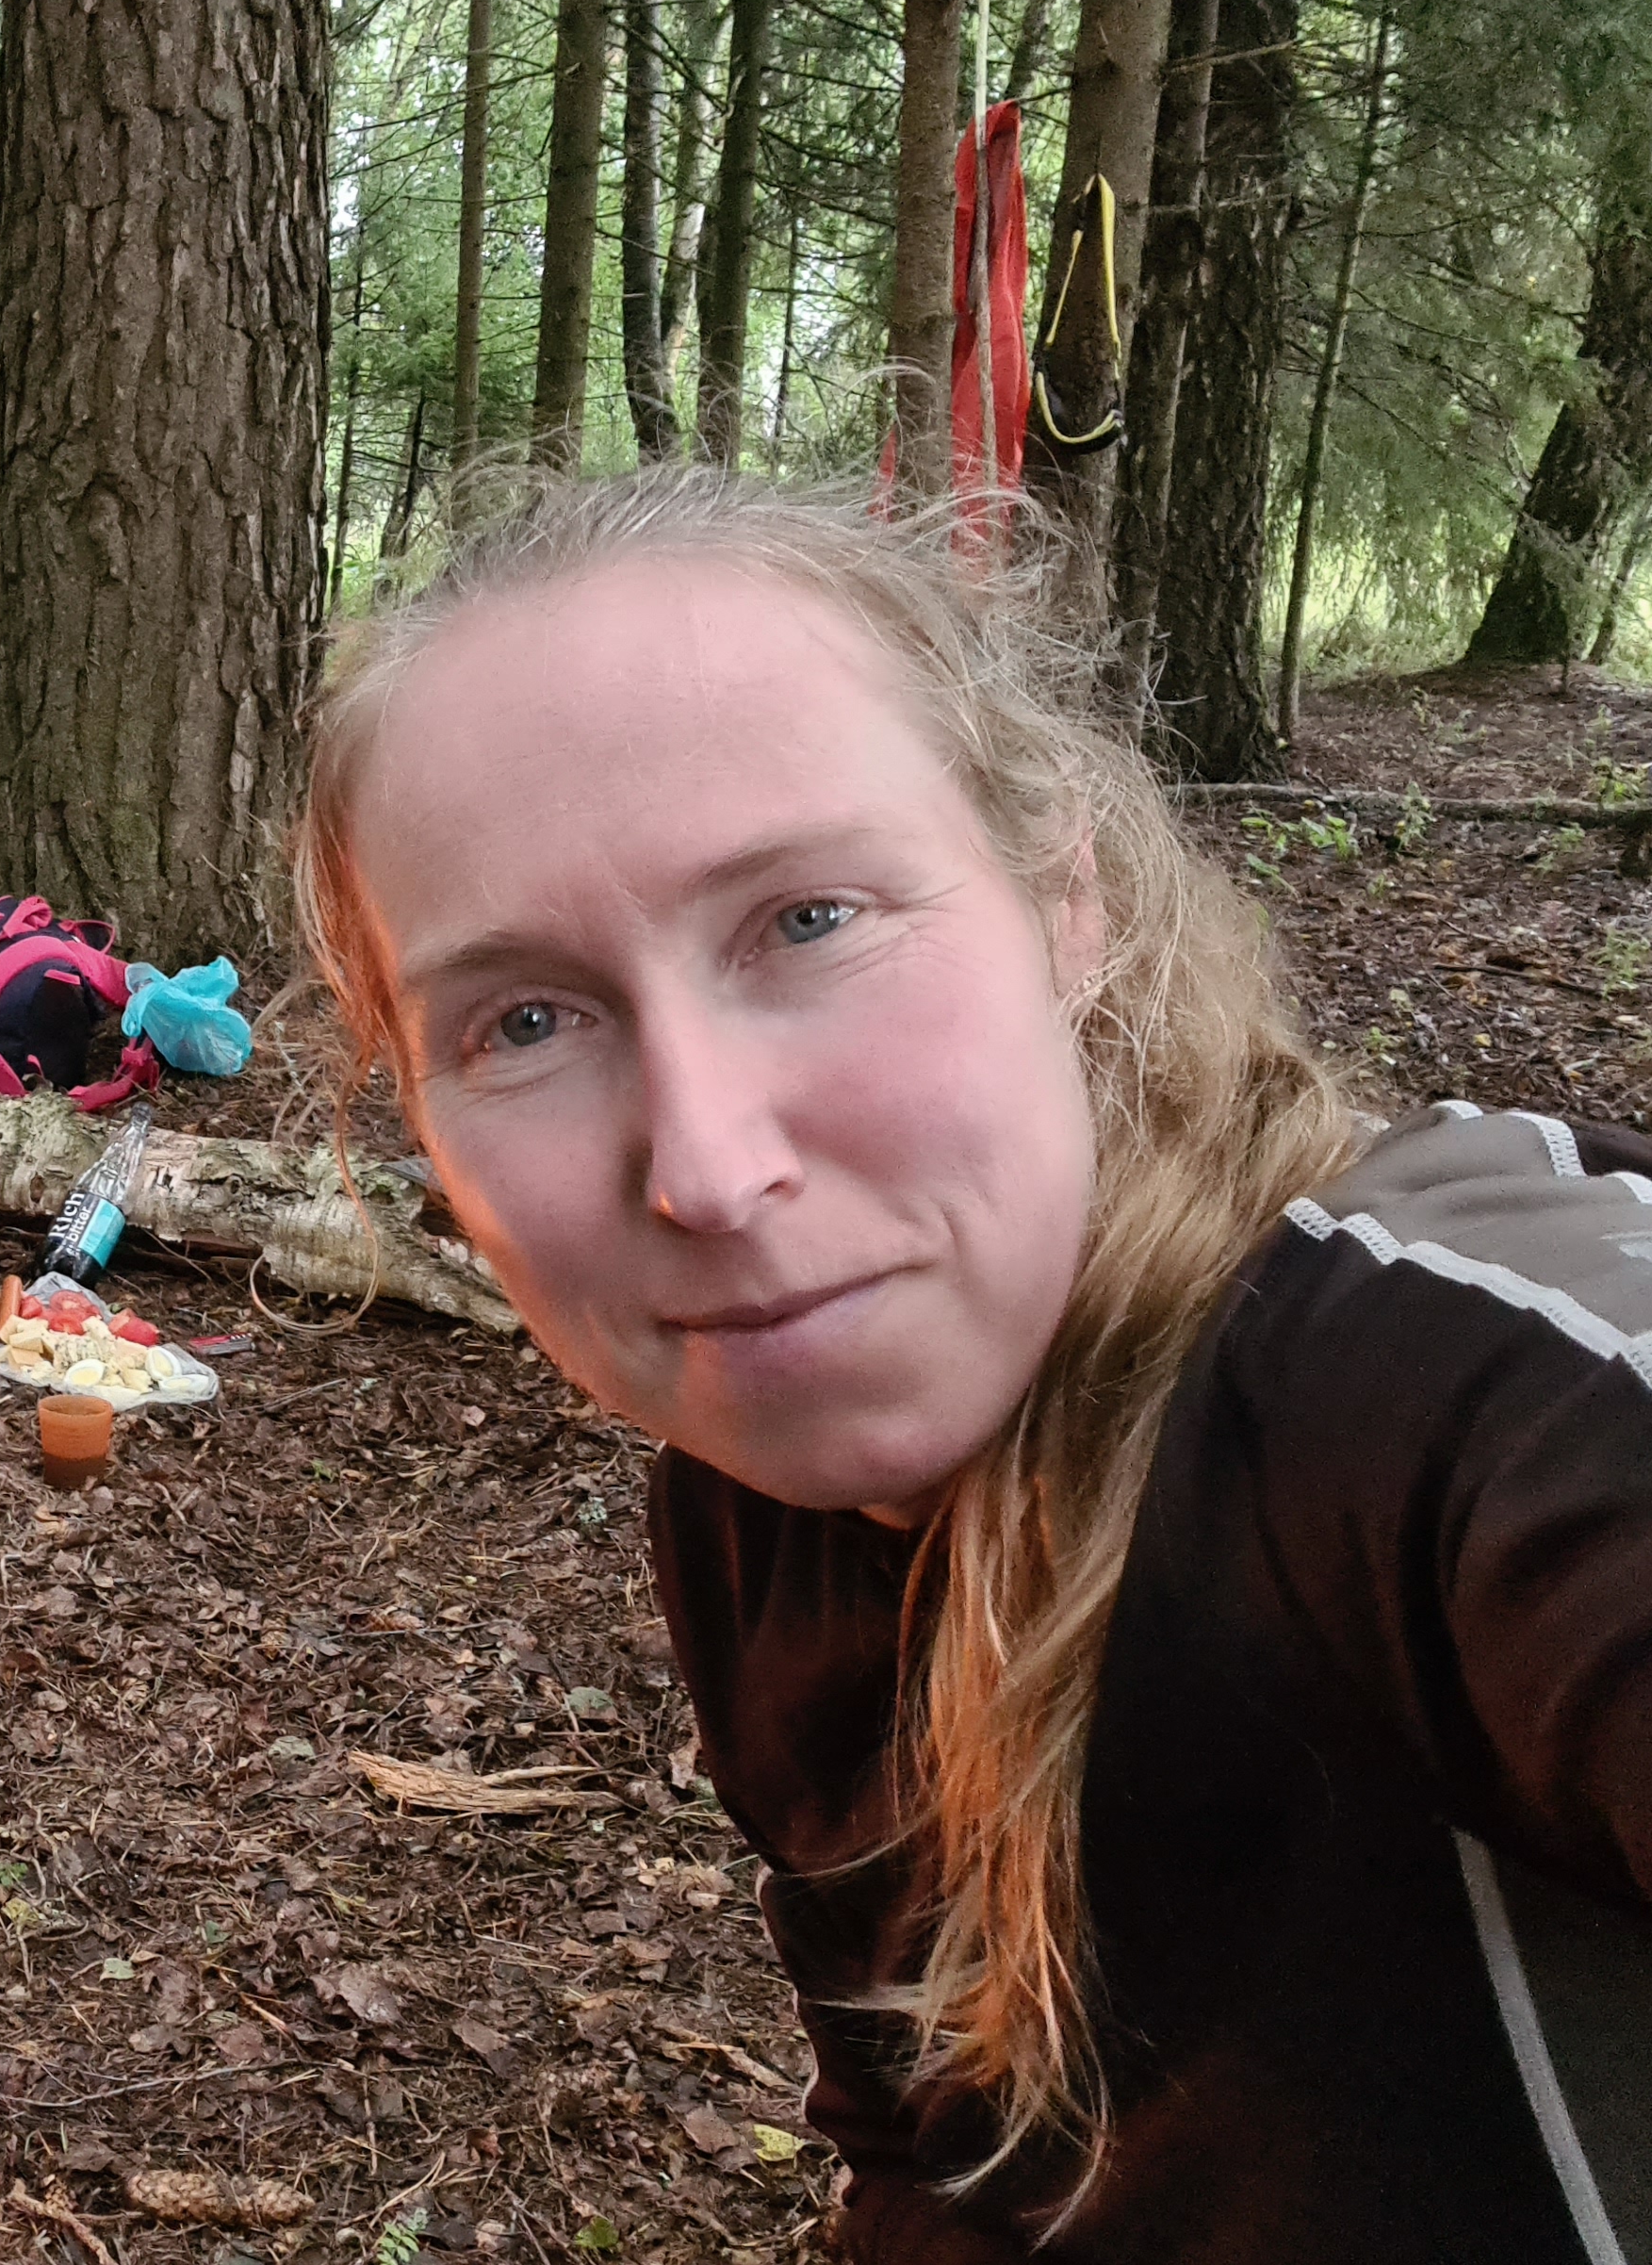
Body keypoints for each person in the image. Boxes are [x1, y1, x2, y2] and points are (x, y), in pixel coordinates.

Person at [294, 466, 1652, 2261]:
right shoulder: (751, 1506)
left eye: (808, 920)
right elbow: (932, 2166)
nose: (706, 1168)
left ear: (1061, 902)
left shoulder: (1443, 1384)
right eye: (523, 1019)